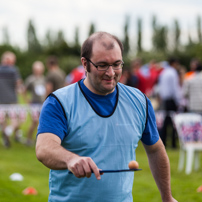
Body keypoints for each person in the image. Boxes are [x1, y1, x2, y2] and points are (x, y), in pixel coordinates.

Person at [36, 32, 177, 202]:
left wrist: (167, 197)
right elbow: (44, 148)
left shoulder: (139, 101)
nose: (111, 73)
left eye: (117, 64)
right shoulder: (59, 102)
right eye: (102, 65)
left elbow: (156, 150)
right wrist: (70, 159)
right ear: (85, 63)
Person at [0, 51, 23, 147]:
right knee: (17, 120)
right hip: (12, 100)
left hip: (1, 100)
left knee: (3, 121)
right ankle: (9, 131)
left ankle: (6, 140)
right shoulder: (13, 70)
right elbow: (18, 84)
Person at [157, 57, 181, 148]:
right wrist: (179, 101)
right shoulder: (173, 73)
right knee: (174, 122)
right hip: (171, 100)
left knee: (165, 122)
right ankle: (173, 144)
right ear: (174, 63)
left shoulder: (163, 73)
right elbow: (175, 88)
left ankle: (163, 141)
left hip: (164, 100)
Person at [23, 61, 46, 146]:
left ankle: (40, 140)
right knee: (34, 122)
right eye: (36, 69)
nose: (38, 71)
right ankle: (28, 139)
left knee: (42, 122)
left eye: (39, 69)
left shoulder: (44, 78)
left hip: (42, 103)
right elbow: (24, 90)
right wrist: (27, 100)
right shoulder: (30, 79)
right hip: (34, 103)